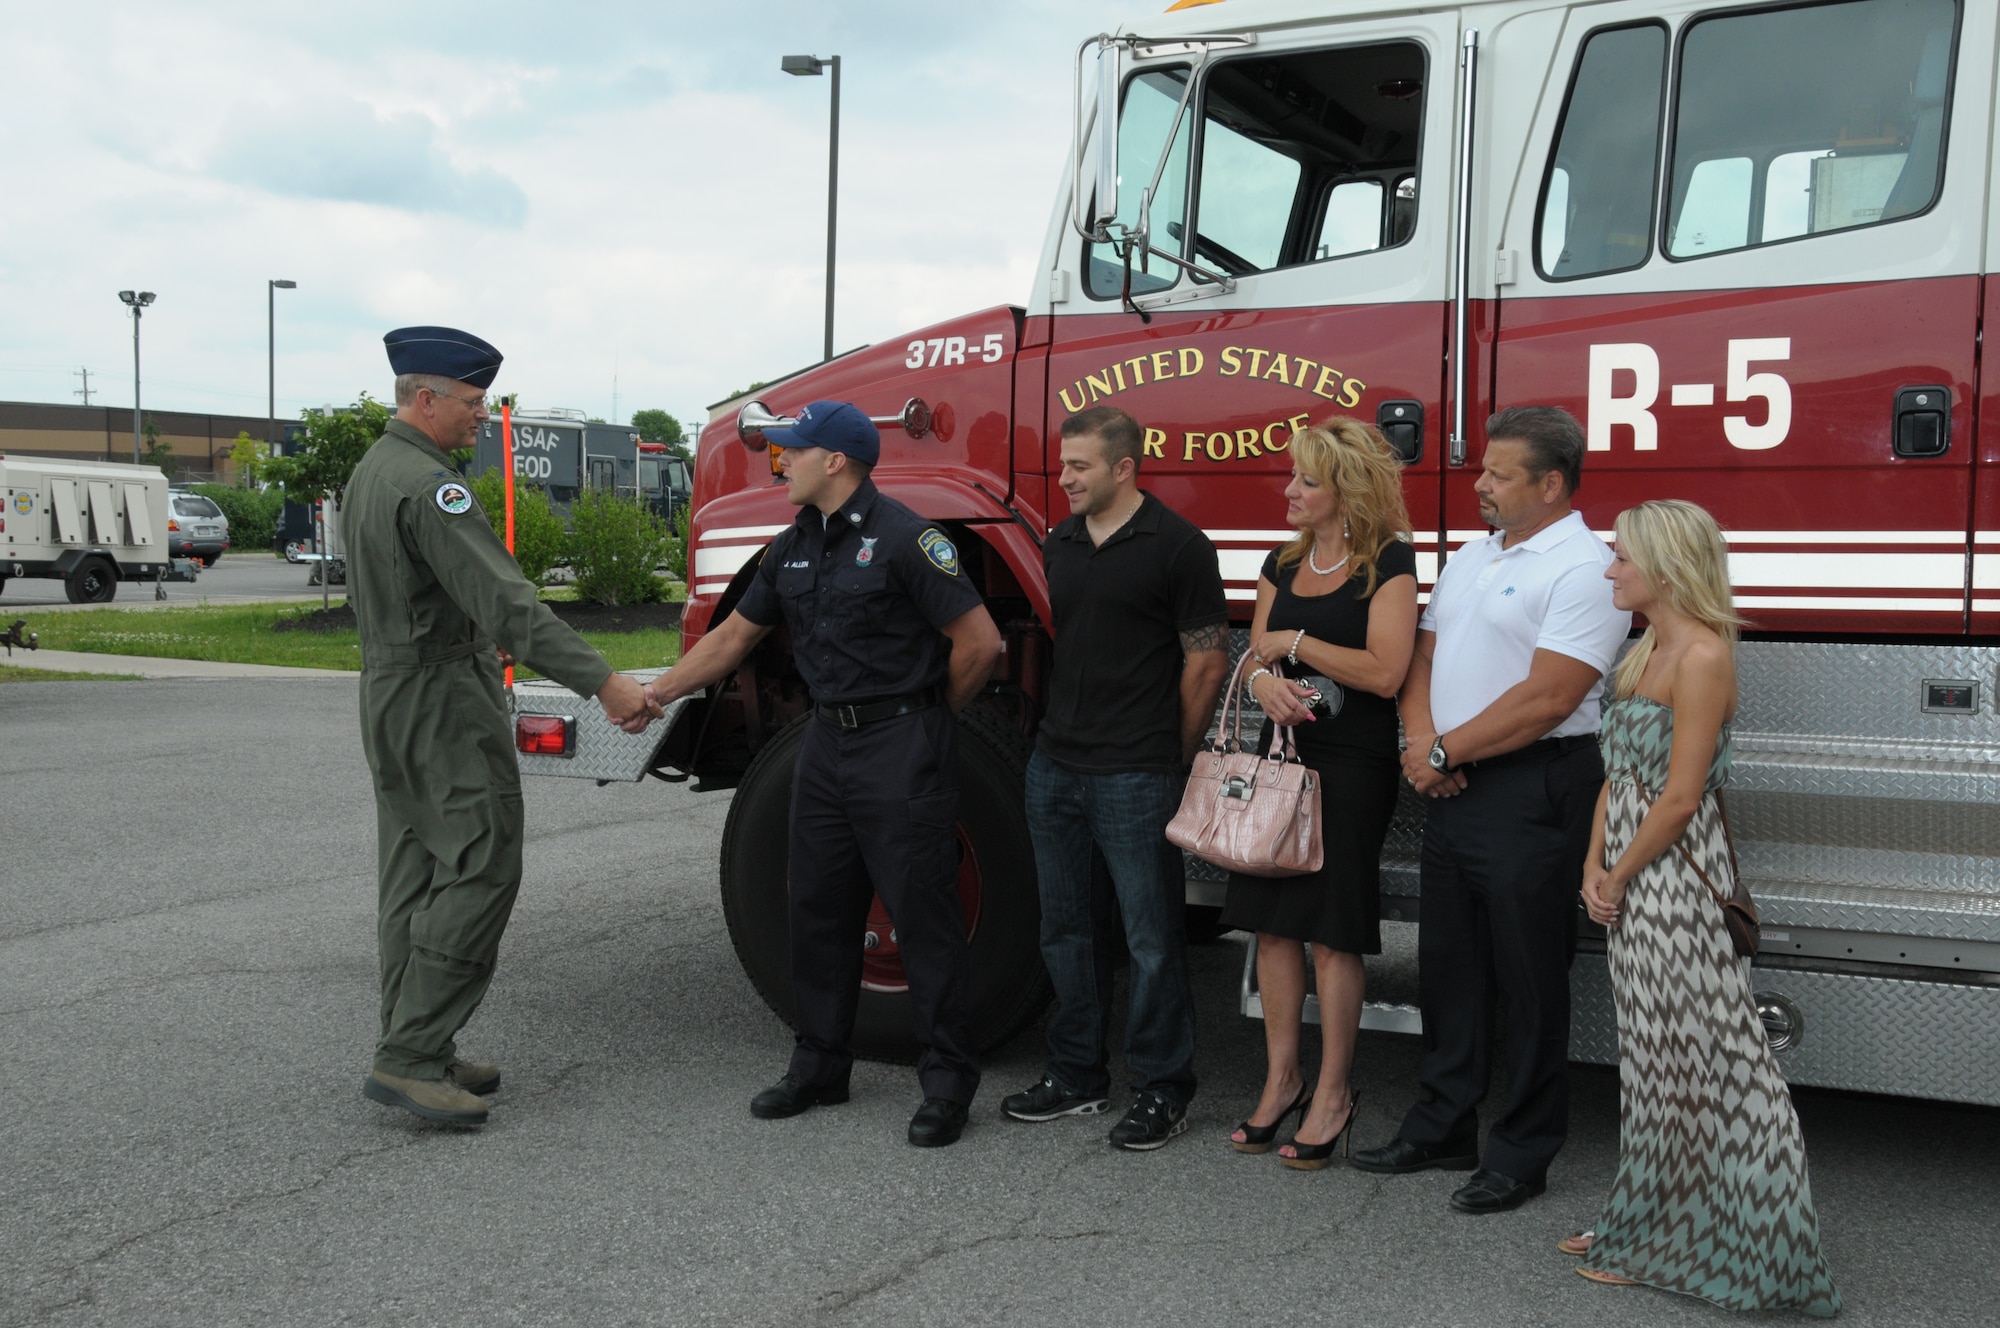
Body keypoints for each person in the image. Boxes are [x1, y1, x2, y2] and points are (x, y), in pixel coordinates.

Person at [644, 400, 1002, 1148]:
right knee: (816, 909)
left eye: (793, 451)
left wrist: (931, 718)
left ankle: (945, 1083)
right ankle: (819, 1065)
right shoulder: (791, 546)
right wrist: (657, 695)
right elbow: (736, 636)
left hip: (901, 744)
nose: (782, 462)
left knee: (923, 917)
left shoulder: (909, 539)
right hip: (825, 747)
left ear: (834, 460)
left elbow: (980, 644)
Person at [348, 326, 661, 1128]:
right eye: (472, 403)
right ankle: (413, 1055)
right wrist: (605, 682)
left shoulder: (374, 473)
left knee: (416, 870)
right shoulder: (429, 487)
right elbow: (507, 604)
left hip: (392, 692)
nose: (481, 418)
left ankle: (418, 1039)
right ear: (426, 399)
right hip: (442, 697)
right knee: (483, 860)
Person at [1352, 405, 1630, 1212]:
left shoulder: (1583, 568)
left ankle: (1522, 1149)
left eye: (1500, 474)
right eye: (1484, 470)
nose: (1480, 485)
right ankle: (1442, 1126)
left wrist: (1442, 752)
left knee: (1529, 979)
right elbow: (1424, 651)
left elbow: (1551, 696)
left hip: (1534, 787)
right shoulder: (1475, 555)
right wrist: (1421, 740)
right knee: (1451, 968)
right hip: (1454, 779)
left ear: (1551, 482)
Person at [1568, 499, 1840, 1315]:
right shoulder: (1644, 648)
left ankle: (1749, 1241)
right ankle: (1644, 1219)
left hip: (1677, 887)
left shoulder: (1702, 656)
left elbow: (1682, 797)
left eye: (1620, 557)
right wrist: (1594, 862)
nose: (1609, 569)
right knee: (1654, 1065)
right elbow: (1620, 777)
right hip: (1630, 876)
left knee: (1719, 1065)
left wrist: (1619, 876)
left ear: (1663, 565)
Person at [999, 405, 1230, 1151]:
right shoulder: (1059, 541)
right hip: (1055, 768)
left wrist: (1173, 754)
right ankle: (1076, 1077)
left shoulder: (1178, 546)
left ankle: (1163, 1089)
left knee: (1153, 939)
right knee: (1065, 931)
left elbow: (1206, 660)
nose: (1063, 477)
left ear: (1125, 468)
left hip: (1137, 773)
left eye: (1079, 467)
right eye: (1063, 464)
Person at [1221, 420, 1418, 1167]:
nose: (1289, 491)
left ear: (1346, 489)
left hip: (1350, 767)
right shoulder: (1281, 560)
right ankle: (1282, 1081)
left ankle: (1334, 1092)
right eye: (1291, 477)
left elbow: (1386, 672)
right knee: (1271, 928)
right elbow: (1250, 659)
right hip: (1279, 762)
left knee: (1334, 934)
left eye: (1305, 480)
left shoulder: (1388, 563)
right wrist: (1264, 679)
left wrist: (1293, 649)